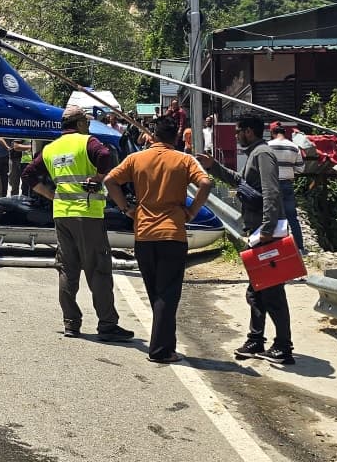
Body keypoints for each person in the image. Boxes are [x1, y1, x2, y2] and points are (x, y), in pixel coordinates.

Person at [105, 117, 213, 363]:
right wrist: (192, 211)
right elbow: (205, 182)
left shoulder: (136, 159)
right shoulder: (184, 160)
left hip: (143, 233)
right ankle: (161, 350)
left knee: (156, 292)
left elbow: (110, 180)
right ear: (175, 137)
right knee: (168, 293)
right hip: (173, 233)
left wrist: (126, 209)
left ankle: (166, 344)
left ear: (153, 136)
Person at [22, 105, 134, 341]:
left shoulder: (51, 149)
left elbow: (28, 174)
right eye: (86, 121)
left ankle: (71, 323)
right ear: (80, 124)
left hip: (62, 214)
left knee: (67, 269)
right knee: (98, 269)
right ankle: (107, 325)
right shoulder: (87, 142)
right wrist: (101, 177)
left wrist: (51, 195)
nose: (88, 125)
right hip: (87, 214)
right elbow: (104, 155)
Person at [198, 114, 294, 365]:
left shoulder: (262, 153)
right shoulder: (255, 153)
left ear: (249, 131)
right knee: (257, 291)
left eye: (239, 131)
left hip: (265, 233)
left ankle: (283, 346)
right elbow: (242, 182)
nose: (237, 136)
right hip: (256, 231)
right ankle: (256, 340)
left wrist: (266, 228)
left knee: (271, 292)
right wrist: (214, 166)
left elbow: (272, 191)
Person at [268, 122, 306, 253]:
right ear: (284, 133)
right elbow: (301, 169)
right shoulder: (294, 147)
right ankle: (300, 248)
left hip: (272, 185)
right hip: (287, 185)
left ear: (272, 133)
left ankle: (278, 248)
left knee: (273, 217)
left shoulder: (267, 146)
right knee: (292, 217)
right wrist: (288, 169)